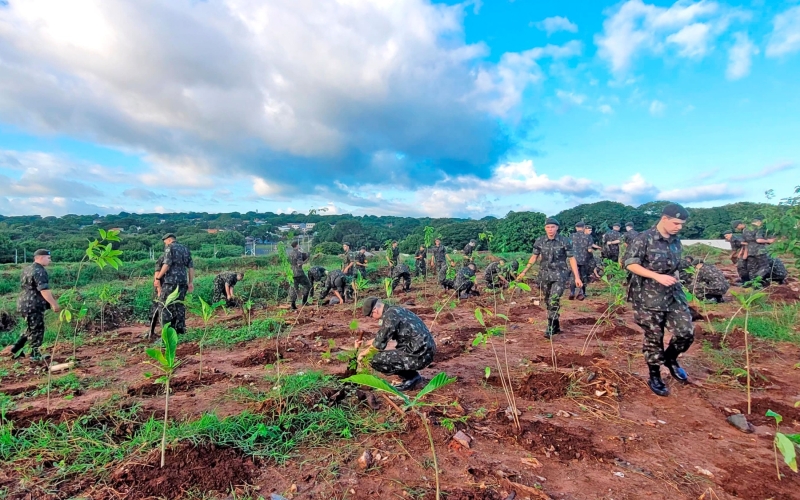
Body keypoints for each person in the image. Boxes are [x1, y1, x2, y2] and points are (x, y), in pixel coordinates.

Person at [623, 203, 693, 397]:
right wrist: (656, 276)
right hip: (648, 295)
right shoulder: (643, 238)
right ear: (664, 219)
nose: (680, 227)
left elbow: (676, 264)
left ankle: (670, 359)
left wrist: (677, 276)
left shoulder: (676, 241)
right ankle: (654, 375)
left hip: (672, 293)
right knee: (654, 337)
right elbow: (630, 264)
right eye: (676, 223)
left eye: (682, 224)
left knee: (685, 332)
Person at [517, 218, 582, 339]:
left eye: (553, 227)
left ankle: (550, 326)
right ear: (545, 228)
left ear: (557, 228)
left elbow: (571, 259)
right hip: (544, 275)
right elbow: (534, 257)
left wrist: (577, 277)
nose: (550, 229)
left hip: (560, 275)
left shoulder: (564, 241)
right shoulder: (540, 241)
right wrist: (524, 272)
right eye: (548, 227)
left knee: (554, 299)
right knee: (548, 301)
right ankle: (556, 324)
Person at [355, 297, 436, 391]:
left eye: (371, 316)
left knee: (373, 358)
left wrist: (362, 354)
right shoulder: (395, 310)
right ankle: (413, 376)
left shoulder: (389, 316)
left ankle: (411, 378)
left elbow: (378, 345)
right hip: (425, 351)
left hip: (420, 354)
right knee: (391, 354)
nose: (372, 319)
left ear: (375, 310)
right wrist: (364, 343)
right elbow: (382, 337)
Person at [3, 249, 60, 361]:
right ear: (41, 257)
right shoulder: (40, 271)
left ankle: (16, 348)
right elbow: (43, 289)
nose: (50, 260)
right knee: (38, 328)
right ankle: (35, 354)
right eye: (48, 258)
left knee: (31, 327)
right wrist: (54, 304)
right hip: (33, 303)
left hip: (23, 302)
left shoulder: (27, 269)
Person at [154, 233, 194, 335]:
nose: (165, 244)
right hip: (182, 282)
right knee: (179, 305)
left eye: (165, 242)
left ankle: (167, 332)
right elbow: (191, 268)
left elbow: (166, 264)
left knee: (164, 305)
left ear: (168, 240)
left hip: (170, 282)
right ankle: (180, 329)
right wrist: (190, 282)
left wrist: (158, 278)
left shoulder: (169, 248)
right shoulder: (185, 249)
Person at [742, 217, 776, 286]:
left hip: (750, 251)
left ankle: (751, 283)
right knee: (765, 267)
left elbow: (745, 241)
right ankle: (756, 281)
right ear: (759, 222)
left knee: (753, 268)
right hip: (759, 251)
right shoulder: (758, 228)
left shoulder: (745, 229)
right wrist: (769, 241)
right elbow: (759, 240)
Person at [569, 221, 592, 300]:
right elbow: (589, 250)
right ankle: (582, 292)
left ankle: (572, 292)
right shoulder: (588, 237)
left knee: (573, 275)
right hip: (584, 259)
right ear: (584, 227)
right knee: (583, 276)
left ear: (576, 228)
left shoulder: (571, 236)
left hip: (573, 259)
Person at [148, 254, 166, 339]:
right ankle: (151, 332)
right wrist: (159, 289)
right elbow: (157, 275)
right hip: (160, 287)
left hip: (167, 288)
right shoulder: (162, 258)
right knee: (156, 309)